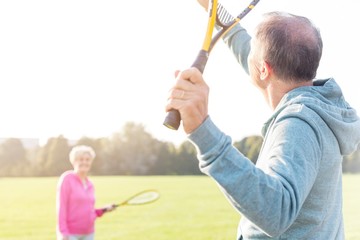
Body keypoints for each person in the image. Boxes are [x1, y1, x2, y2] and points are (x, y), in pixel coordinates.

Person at [165, 1, 360, 239]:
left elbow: (276, 211)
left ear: (264, 70)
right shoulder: (318, 107)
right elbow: (247, 48)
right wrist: (213, 8)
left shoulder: (298, 125)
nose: (249, 52)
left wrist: (202, 131)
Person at [56, 145, 115, 240]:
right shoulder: (67, 179)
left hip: (89, 233)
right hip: (71, 234)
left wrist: (103, 210)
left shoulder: (90, 184)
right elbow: (61, 208)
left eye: (87, 159)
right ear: (74, 161)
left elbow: (89, 211)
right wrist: (63, 232)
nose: (84, 162)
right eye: (81, 159)